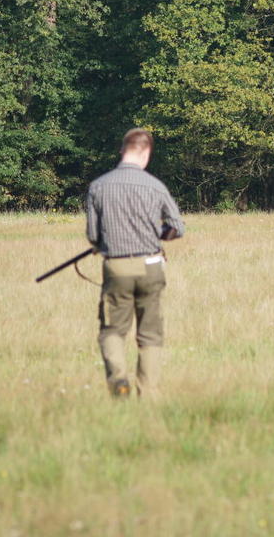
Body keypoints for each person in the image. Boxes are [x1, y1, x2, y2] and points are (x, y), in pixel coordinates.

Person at [85, 128, 185, 399]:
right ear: (146, 153)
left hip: (117, 266)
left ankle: (119, 379)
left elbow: (94, 236)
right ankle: (149, 393)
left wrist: (103, 243)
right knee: (150, 334)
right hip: (151, 265)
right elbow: (177, 227)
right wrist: (159, 233)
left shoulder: (98, 186)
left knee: (113, 330)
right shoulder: (155, 186)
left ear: (122, 151)